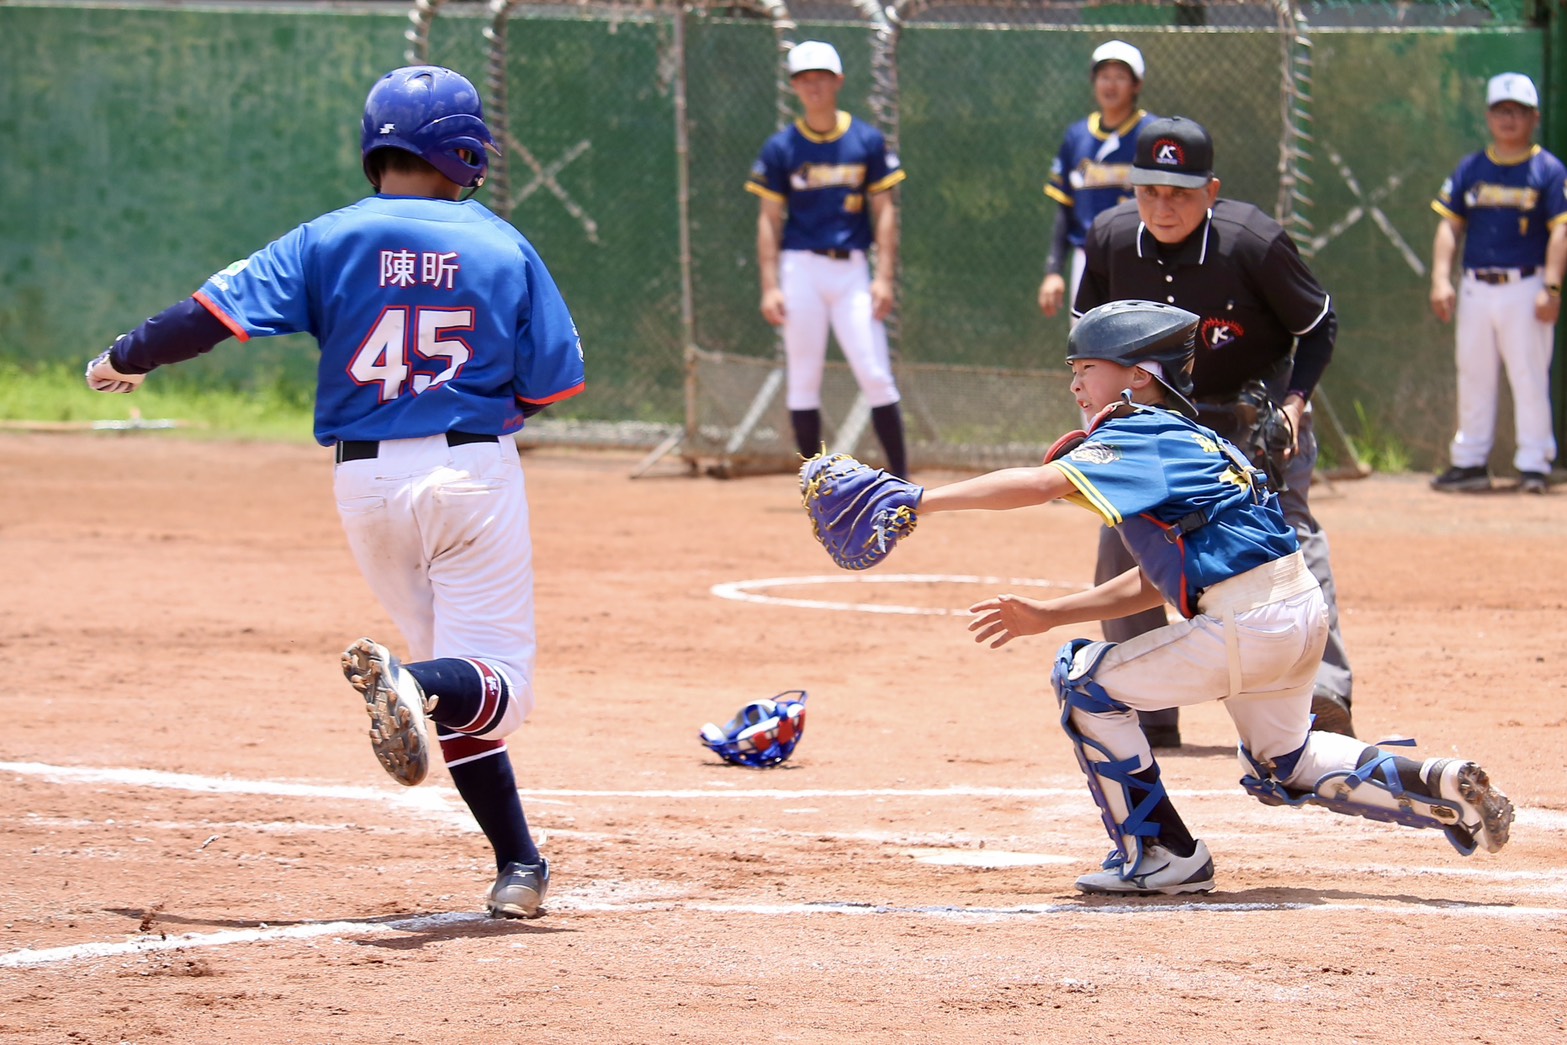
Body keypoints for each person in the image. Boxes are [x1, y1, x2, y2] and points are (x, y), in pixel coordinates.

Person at [83, 65, 585, 919]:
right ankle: (411, 684)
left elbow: (207, 316)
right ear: (461, 151)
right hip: (468, 474)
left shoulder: (325, 238)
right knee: (497, 682)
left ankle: (518, 866)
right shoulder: (501, 243)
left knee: (451, 684)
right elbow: (553, 382)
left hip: (364, 485)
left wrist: (122, 356)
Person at [923, 300, 1513, 895]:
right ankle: (1439, 783)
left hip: (1249, 623)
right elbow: (1159, 579)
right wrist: (1050, 613)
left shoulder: (1136, 432)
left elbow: (1038, 483)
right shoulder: (1196, 438)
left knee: (1084, 683)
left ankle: (1161, 853)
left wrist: (918, 499)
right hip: (1294, 610)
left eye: (1087, 367)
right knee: (1285, 763)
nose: (1074, 383)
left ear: (1139, 377)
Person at [1074, 115, 1356, 746]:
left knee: (1289, 536)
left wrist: (1295, 405)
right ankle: (1145, 706)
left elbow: (1318, 327)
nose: (1163, 206)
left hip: (1254, 416)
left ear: (1211, 190)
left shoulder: (1252, 243)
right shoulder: (1111, 239)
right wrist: (1100, 424)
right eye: (1150, 191)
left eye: (1180, 193)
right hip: (1157, 425)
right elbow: (1088, 343)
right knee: (1121, 544)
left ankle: (1325, 694)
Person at [747, 40, 910, 477]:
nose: (813, 86)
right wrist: (770, 285)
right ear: (794, 86)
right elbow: (769, 218)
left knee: (875, 374)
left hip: (853, 269)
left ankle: (903, 481)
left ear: (838, 81)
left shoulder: (865, 140)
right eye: (803, 79)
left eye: (820, 77)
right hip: (800, 267)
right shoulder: (782, 147)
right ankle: (815, 486)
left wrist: (884, 277)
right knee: (803, 378)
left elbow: (885, 210)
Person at [1429, 72, 1567, 495]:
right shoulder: (1472, 168)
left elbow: (1561, 231)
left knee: (1528, 376)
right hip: (1475, 286)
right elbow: (1450, 225)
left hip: (1525, 286)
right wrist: (1440, 278)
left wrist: (1552, 288)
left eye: (1519, 111)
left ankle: (1534, 464)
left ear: (1535, 117)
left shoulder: (1548, 170)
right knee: (1473, 374)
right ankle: (1470, 461)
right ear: (1489, 116)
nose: (1509, 119)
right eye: (1501, 110)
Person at [1037, 40, 1158, 320]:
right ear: (1093, 82)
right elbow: (1065, 210)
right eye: (1104, 76)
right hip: (1089, 259)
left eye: (1120, 77)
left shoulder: (1152, 134)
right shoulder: (1077, 136)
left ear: (1137, 84)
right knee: (1086, 342)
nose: (1110, 85)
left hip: (1145, 256)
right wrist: (1054, 271)